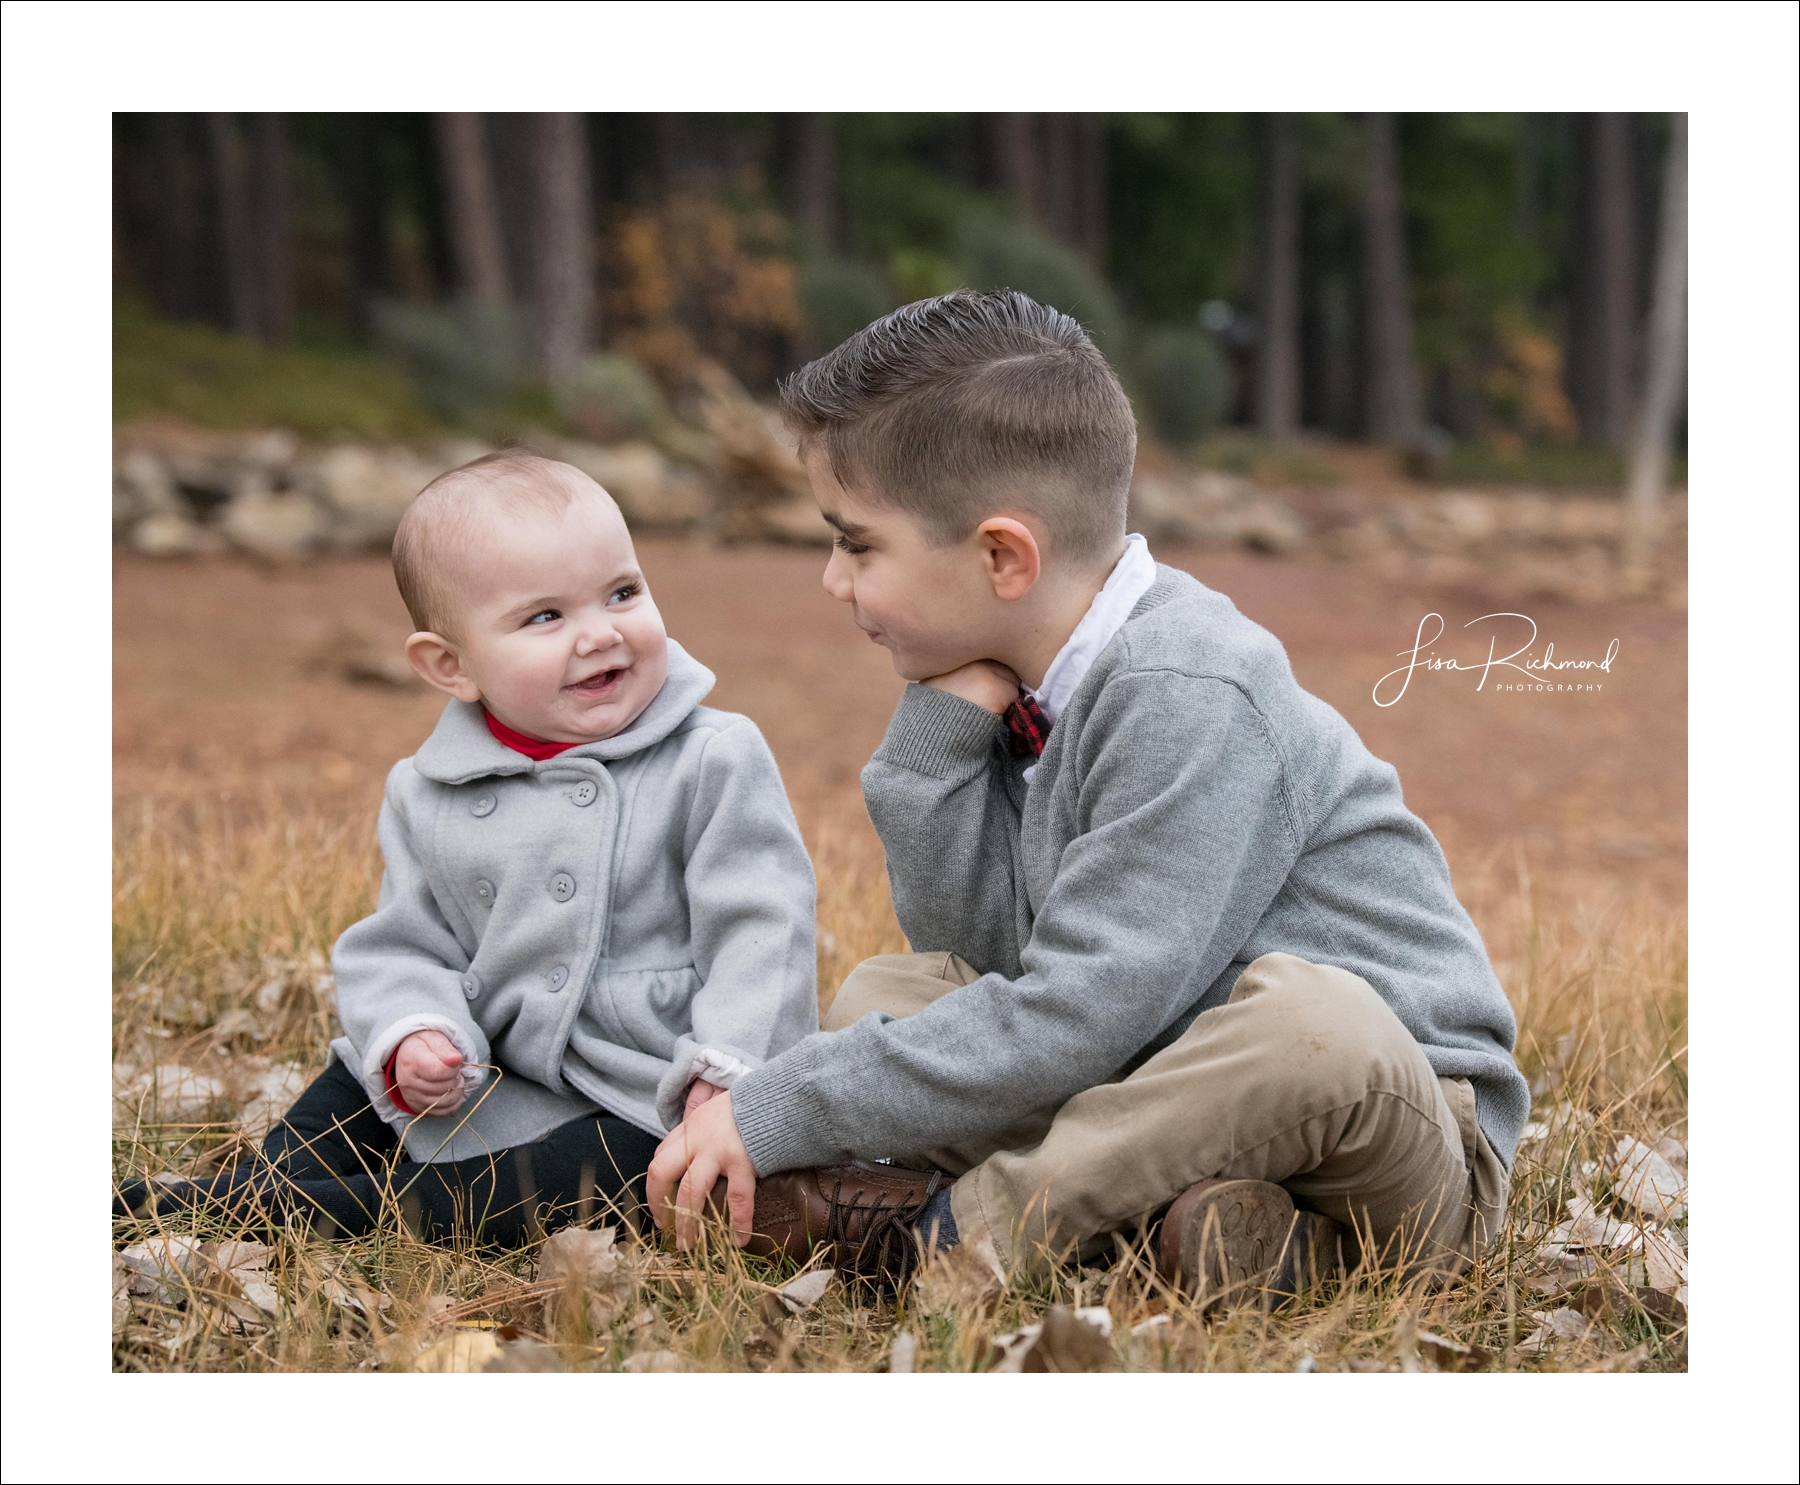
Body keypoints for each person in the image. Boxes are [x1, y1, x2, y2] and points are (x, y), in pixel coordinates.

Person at [647, 290, 1529, 1296]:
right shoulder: (1026, 679)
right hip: (1169, 1064)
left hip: (1397, 1129)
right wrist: (937, 757)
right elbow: (984, 957)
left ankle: (947, 1241)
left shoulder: (1188, 690)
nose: (833, 581)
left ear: (1001, 556)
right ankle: (1242, 1250)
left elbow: (1076, 1017)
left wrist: (777, 1106)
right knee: (886, 995)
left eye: (856, 545)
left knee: (1312, 1019)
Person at [116, 452, 818, 1246]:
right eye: (544, 617)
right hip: (487, 1067)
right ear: (451, 666)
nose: (601, 633)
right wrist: (417, 1031)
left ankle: (347, 1211)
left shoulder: (713, 755)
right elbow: (407, 941)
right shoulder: (430, 789)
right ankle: (274, 1182)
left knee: (570, 1177)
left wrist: (723, 1074)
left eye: (622, 592)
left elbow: (766, 928)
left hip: (643, 1082)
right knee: (349, 1087)